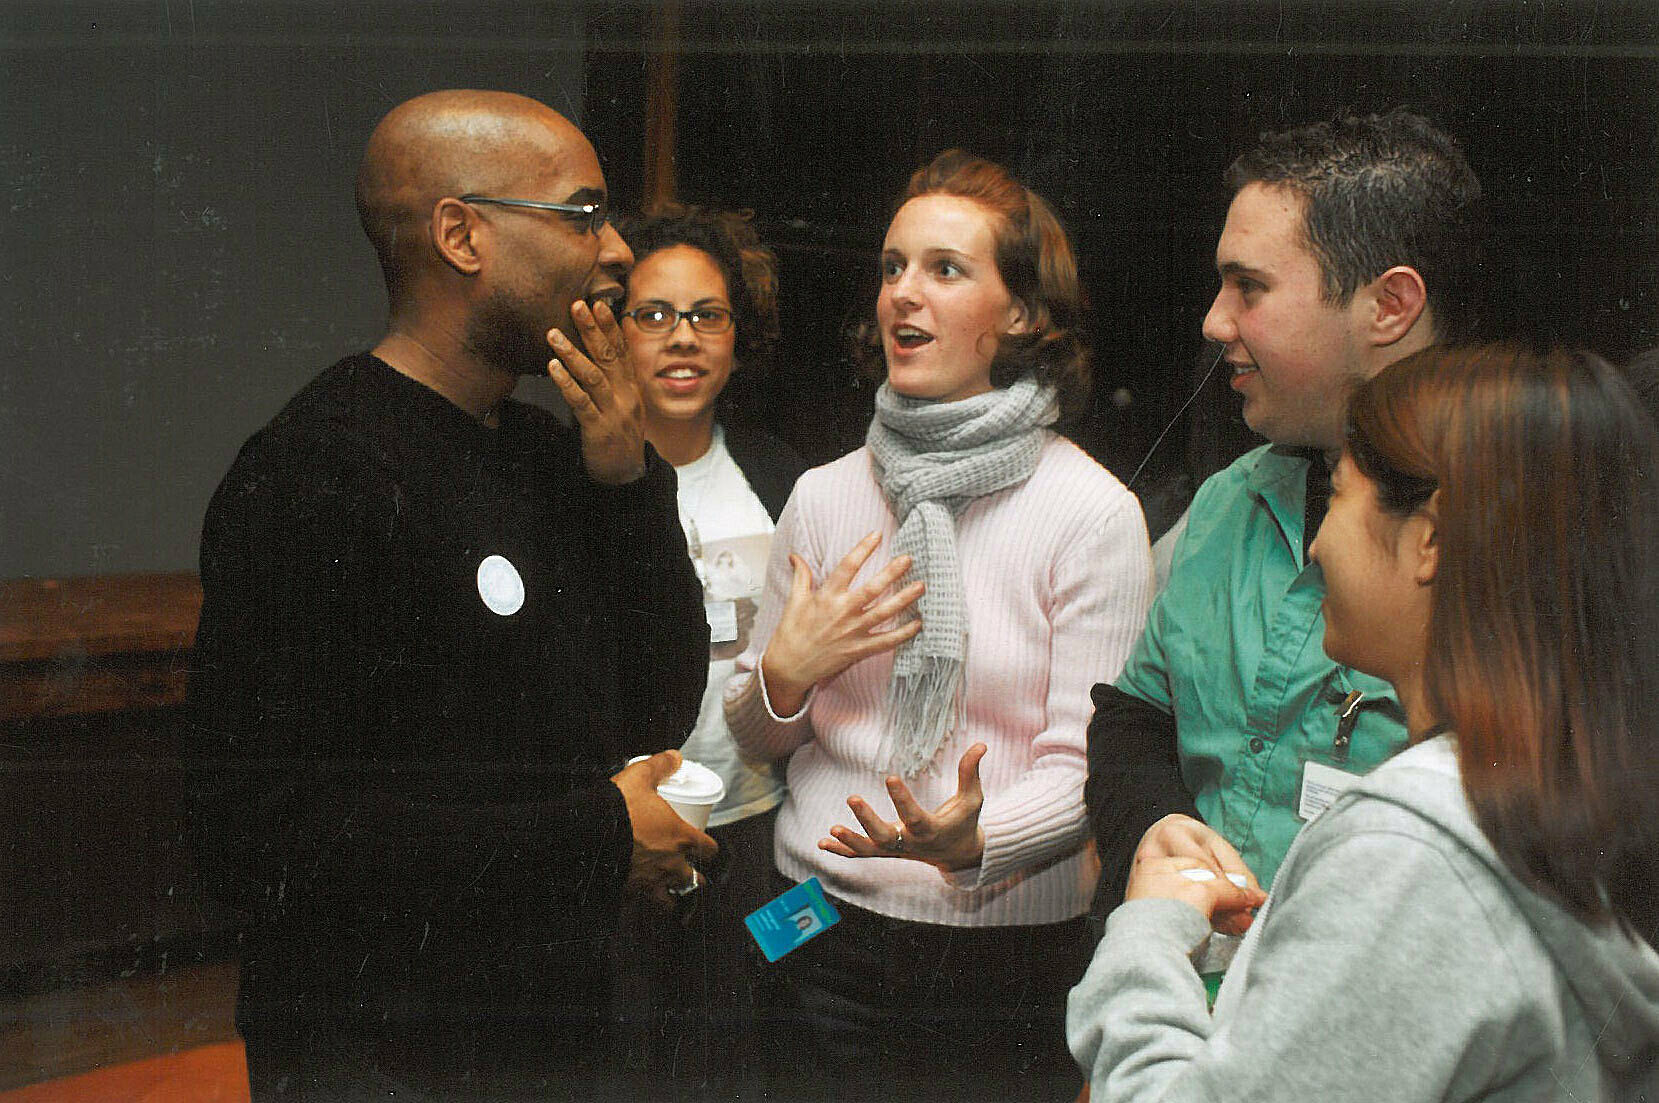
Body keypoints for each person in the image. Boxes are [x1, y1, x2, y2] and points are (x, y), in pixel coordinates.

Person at [185, 90, 716, 1099]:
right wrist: (599, 838)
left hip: (551, 1029)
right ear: (461, 235)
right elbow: (260, 839)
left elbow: (654, 707)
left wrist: (626, 485)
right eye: (580, 214)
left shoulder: (549, 453)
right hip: (383, 1054)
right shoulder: (316, 472)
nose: (613, 252)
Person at [1068, 342, 1659, 1100]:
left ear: (1431, 539)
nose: (1314, 543)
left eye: (1340, 497)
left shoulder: (1409, 851)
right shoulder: (1559, 797)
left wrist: (1150, 929)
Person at [724, 150, 1154, 1098]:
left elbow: (1090, 765)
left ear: (1025, 314)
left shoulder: (1090, 513)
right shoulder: (824, 494)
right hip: (813, 918)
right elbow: (758, 736)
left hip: (995, 960)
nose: (901, 295)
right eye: (891, 267)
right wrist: (783, 679)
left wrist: (978, 837)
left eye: (944, 269)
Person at [1086, 110, 1488, 910]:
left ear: (1388, 305)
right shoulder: (1230, 500)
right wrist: (1156, 826)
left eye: (1250, 287)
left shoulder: (1521, 535)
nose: (1213, 321)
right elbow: (1134, 715)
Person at [609, 204, 808, 1093]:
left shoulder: (780, 477)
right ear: (611, 328)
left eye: (706, 315)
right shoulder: (571, 475)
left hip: (755, 835)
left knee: (735, 1068)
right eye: (651, 314)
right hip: (618, 844)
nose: (680, 340)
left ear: (737, 336)